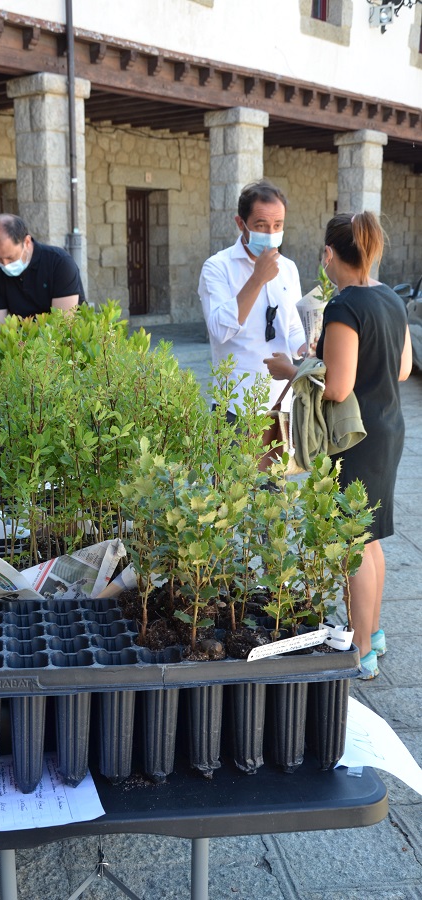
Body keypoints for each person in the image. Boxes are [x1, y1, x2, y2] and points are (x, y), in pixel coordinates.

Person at [265, 211, 412, 680]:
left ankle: (361, 650)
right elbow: (403, 369)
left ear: (328, 254)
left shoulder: (344, 305)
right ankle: (375, 632)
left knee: (353, 544)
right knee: (370, 538)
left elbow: (337, 387)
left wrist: (291, 370)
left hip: (356, 438)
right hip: (388, 428)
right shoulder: (390, 296)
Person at [198, 180, 306, 429]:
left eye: (277, 225)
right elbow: (219, 330)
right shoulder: (217, 267)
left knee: (280, 460)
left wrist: (307, 346)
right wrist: (257, 279)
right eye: (261, 225)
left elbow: (292, 328)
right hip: (234, 406)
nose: (271, 233)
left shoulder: (288, 268)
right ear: (241, 223)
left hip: (281, 404)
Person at [0, 213, 85, 396]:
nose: (5, 265)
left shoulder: (59, 263)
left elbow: (62, 326)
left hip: (66, 358)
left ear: (27, 242)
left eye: (10, 258)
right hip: (26, 360)